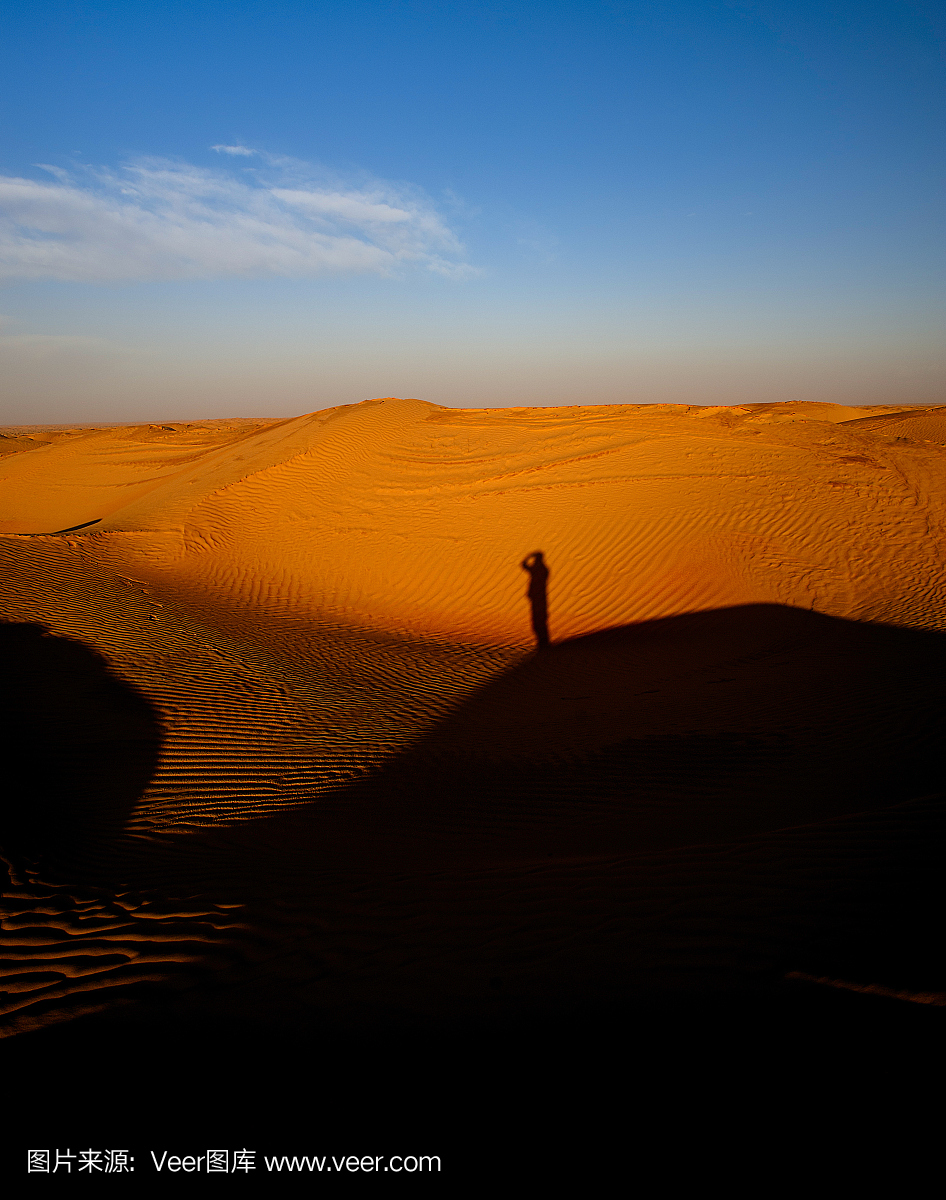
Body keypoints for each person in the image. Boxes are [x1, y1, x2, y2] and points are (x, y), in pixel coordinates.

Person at [520, 552, 550, 649]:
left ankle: (544, 643)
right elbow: (524, 565)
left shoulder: (540, 569)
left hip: (539, 599)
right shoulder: (541, 569)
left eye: (535, 559)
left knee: (539, 621)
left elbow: (523, 564)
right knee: (538, 622)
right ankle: (542, 643)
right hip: (538, 598)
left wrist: (528, 556)